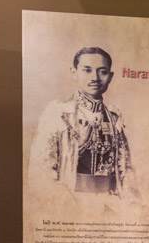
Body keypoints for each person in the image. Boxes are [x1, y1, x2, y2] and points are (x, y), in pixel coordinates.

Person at [28, 46, 138, 204]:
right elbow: (40, 172)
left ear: (111, 76)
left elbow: (125, 170)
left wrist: (131, 205)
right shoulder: (59, 112)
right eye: (87, 70)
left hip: (111, 204)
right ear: (74, 72)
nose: (95, 77)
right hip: (70, 203)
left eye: (102, 71)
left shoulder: (113, 118)